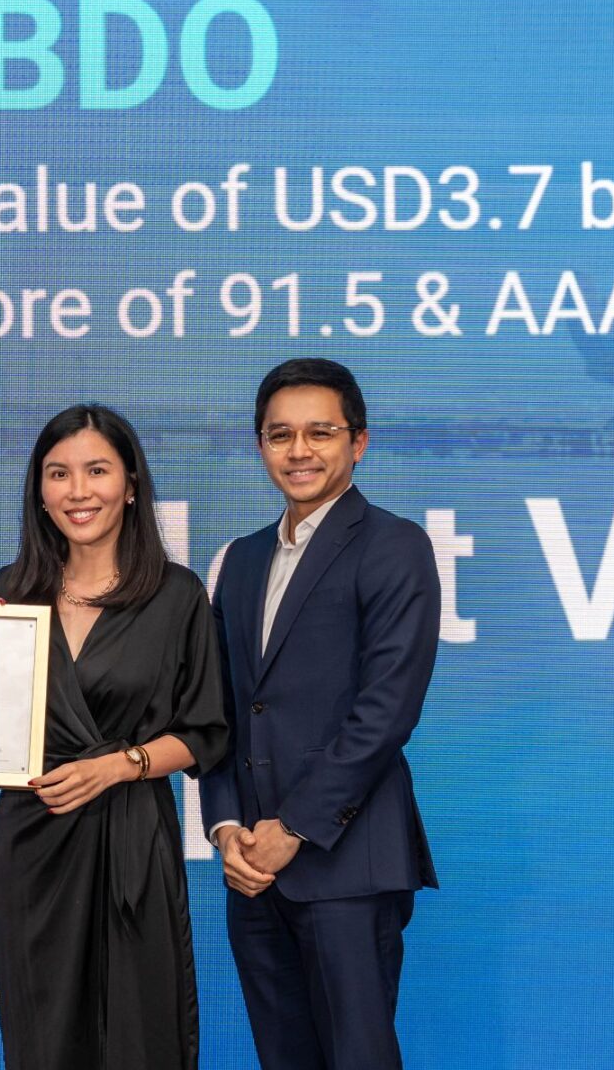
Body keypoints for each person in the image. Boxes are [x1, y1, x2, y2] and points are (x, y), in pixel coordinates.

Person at [200, 358, 441, 1070]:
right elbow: (221, 708)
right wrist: (226, 827)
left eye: (320, 432)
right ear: (261, 446)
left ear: (358, 442)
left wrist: (295, 828)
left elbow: (387, 710)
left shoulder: (394, 544)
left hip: (347, 863)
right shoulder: (242, 559)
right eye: (280, 435)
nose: (298, 450)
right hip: (252, 868)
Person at [0, 404, 227, 1070]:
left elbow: (205, 732)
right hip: (34, 843)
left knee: (141, 1036)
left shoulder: (177, 595)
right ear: (39, 490)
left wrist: (119, 765)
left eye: (97, 470)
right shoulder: (10, 591)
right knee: (42, 1041)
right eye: (58, 473)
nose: (77, 491)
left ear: (131, 484)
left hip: (132, 839)